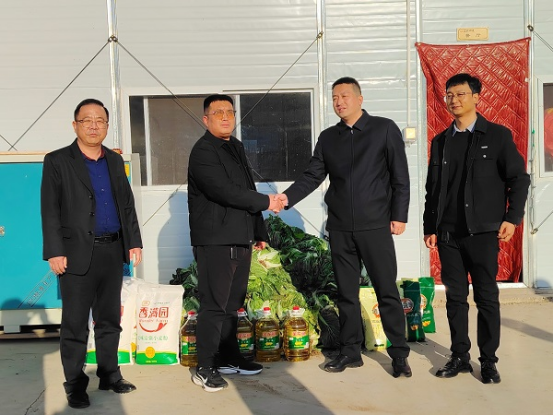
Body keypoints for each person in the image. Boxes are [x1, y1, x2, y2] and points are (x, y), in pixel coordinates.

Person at [277, 77, 412, 377]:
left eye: (345, 96)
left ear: (360, 99)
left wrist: (399, 215)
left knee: (386, 290)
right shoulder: (329, 138)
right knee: (346, 293)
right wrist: (286, 198)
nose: (339, 102)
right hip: (340, 228)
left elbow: (400, 176)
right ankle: (350, 352)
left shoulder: (383, 129)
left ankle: (399, 354)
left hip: (375, 225)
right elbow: (312, 176)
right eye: (335, 97)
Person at [423, 73, 531, 384]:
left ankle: (488, 361)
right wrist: (430, 226)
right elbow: (433, 189)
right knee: (455, 298)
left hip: (483, 233)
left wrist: (512, 218)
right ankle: (459, 356)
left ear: (476, 98)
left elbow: (518, 179)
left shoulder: (497, 136)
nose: (454, 100)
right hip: (448, 234)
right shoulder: (441, 141)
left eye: (460, 94)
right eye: (449, 95)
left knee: (486, 297)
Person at [41, 98, 143, 409]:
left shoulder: (114, 161)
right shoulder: (58, 161)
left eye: (100, 120)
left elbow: (126, 203)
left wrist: (134, 241)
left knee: (109, 319)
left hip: (112, 250)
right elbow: (50, 209)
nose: (94, 125)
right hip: (75, 255)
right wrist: (55, 251)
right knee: (74, 324)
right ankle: (75, 384)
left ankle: (110, 374)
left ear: (107, 126)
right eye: (87, 120)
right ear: (75, 125)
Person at [187, 94, 284, 392]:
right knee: (214, 305)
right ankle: (205, 367)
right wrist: (267, 201)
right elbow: (224, 191)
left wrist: (259, 231)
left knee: (232, 305)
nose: (226, 117)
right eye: (218, 112)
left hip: (240, 238)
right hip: (216, 240)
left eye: (229, 111)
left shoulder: (236, 147)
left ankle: (228, 357)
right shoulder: (203, 151)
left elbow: (246, 187)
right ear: (206, 119)